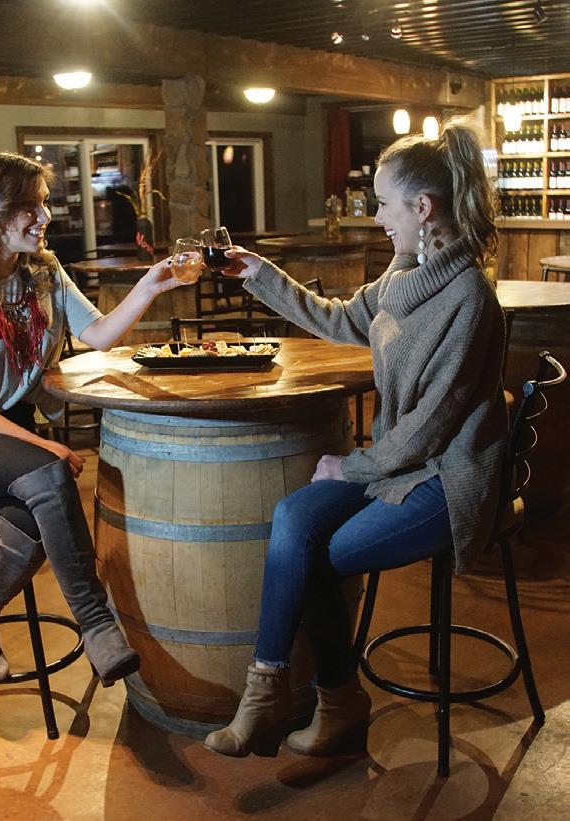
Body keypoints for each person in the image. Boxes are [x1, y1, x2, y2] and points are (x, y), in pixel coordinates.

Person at [204, 118, 508, 758]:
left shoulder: (470, 298)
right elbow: (341, 320)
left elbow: (433, 426)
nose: (375, 216)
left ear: (422, 208)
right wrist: (259, 273)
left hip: (448, 478)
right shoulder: (404, 276)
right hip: (399, 465)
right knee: (294, 517)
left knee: (314, 556)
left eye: (384, 203)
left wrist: (354, 467)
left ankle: (336, 702)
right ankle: (269, 692)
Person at [0, 151, 195, 687]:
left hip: (11, 437)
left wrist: (151, 286)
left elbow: (99, 335)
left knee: (36, 520)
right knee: (49, 474)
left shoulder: (43, 272)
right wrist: (43, 447)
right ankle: (97, 623)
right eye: (31, 207)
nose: (44, 217)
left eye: (44, 204)